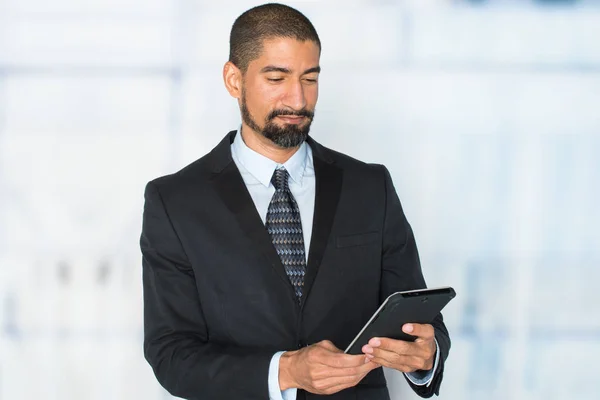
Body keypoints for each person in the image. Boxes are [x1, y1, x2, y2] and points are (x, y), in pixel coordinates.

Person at [140, 3, 450, 400]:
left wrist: (427, 355)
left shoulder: (371, 186)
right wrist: (285, 370)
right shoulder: (175, 201)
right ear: (234, 80)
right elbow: (171, 355)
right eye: (277, 77)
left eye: (310, 78)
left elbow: (421, 319)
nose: (298, 99)